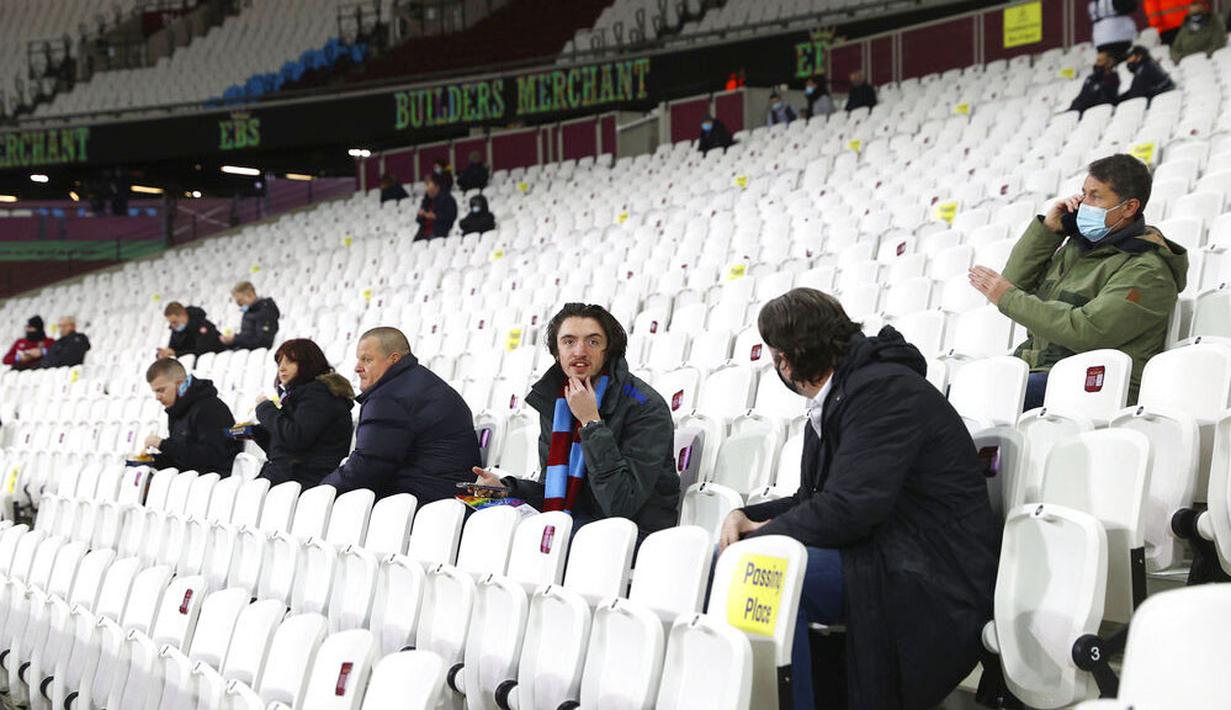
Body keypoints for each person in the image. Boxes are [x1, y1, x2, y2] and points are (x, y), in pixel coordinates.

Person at [719, 289, 999, 710]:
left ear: (788, 358)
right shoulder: (841, 394)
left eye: (776, 356)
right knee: (723, 555)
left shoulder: (882, 391)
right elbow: (812, 497)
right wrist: (745, 516)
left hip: (930, 569)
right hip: (883, 553)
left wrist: (766, 535)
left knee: (763, 569)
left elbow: (852, 507)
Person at [969, 154, 1187, 408]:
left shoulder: (1148, 270)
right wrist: (1049, 232)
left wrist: (1007, 296)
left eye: (1096, 196)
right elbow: (1015, 284)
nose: (1084, 204)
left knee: (978, 401)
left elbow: (1089, 330)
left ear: (1129, 207)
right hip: (1043, 369)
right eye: (1084, 194)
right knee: (947, 395)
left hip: (1096, 384)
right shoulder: (1078, 247)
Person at [473, 303, 679, 539]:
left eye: (593, 342)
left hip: (633, 532)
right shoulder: (557, 400)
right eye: (569, 342)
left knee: (539, 538)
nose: (579, 351)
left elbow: (621, 504)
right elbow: (554, 488)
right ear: (556, 352)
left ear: (608, 350)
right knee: (485, 515)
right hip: (576, 521)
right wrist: (506, 489)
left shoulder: (646, 407)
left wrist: (591, 422)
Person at [320, 327, 479, 502]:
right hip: (443, 493)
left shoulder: (389, 397)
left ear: (394, 359)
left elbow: (367, 466)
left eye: (367, 360)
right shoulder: (415, 382)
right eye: (359, 359)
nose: (357, 368)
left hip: (425, 502)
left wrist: (321, 493)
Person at [251, 339, 355, 488]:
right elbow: (289, 443)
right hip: (289, 475)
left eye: (290, 362)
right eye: (279, 363)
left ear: (309, 364)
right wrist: (256, 433)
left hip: (301, 480)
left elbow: (296, 437)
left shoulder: (318, 394)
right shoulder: (301, 395)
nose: (282, 368)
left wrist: (264, 408)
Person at [143, 358, 241, 475]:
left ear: (180, 384)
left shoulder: (210, 408)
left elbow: (212, 457)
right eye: (155, 392)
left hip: (213, 484)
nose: (157, 397)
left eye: (161, 390)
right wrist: (151, 460)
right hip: (189, 480)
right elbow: (180, 458)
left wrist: (163, 445)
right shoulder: (176, 409)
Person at [220, 281, 280, 350]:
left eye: (240, 301)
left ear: (250, 295)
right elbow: (248, 335)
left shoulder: (265, 311)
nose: (239, 305)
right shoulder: (249, 311)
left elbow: (263, 342)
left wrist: (235, 339)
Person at [157, 302, 224, 359]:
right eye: (170, 323)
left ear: (183, 314)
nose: (172, 325)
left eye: (174, 322)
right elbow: (172, 348)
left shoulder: (203, 326)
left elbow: (202, 351)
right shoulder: (176, 331)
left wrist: (175, 353)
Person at [414, 173, 458, 240]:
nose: (427, 188)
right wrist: (422, 215)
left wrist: (435, 216)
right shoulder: (426, 201)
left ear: (437, 187)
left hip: (439, 232)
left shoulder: (447, 199)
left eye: (428, 184)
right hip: (423, 234)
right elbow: (418, 220)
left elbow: (451, 216)